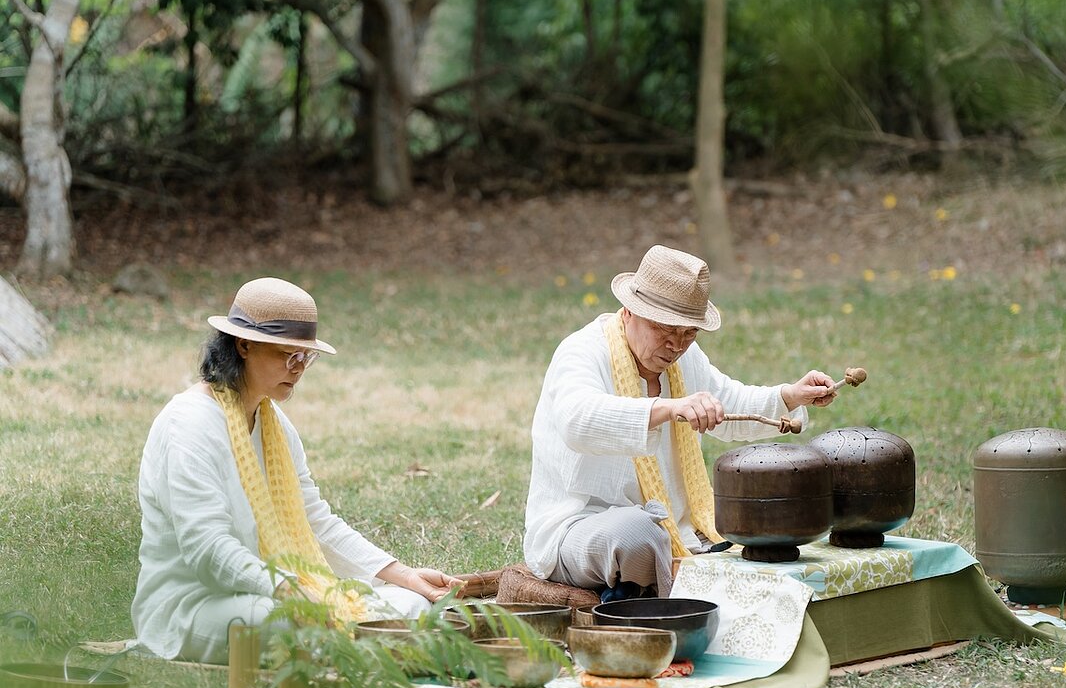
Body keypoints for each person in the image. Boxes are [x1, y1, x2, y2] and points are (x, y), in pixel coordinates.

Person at [132, 277, 461, 664]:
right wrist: (289, 590)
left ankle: (361, 655)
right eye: (288, 355)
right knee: (295, 625)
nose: (299, 368)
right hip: (194, 607)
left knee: (410, 605)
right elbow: (207, 549)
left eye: (306, 357)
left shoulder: (274, 423)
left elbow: (315, 521)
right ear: (244, 345)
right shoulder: (189, 423)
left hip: (277, 592)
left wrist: (402, 574)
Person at [523, 245, 838, 601]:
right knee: (637, 533)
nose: (676, 345)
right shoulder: (581, 351)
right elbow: (577, 421)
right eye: (664, 329)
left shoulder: (685, 361)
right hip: (580, 528)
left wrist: (791, 395)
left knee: (747, 513)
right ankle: (665, 588)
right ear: (629, 311)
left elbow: (728, 404)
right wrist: (668, 408)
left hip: (678, 530)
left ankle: (660, 576)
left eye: (689, 333)